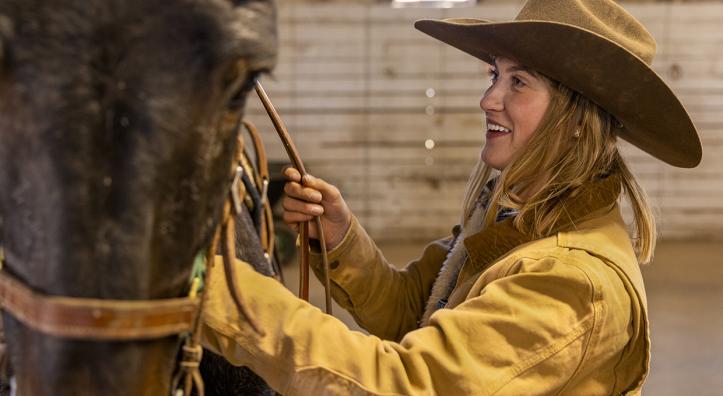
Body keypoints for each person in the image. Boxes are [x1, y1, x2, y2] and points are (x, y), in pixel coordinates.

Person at [200, 0, 702, 394]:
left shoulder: (570, 283)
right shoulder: (514, 216)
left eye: (518, 82)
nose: (489, 99)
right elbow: (415, 311)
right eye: (494, 75)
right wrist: (341, 241)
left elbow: (405, 386)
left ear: (575, 121)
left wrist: (220, 295)